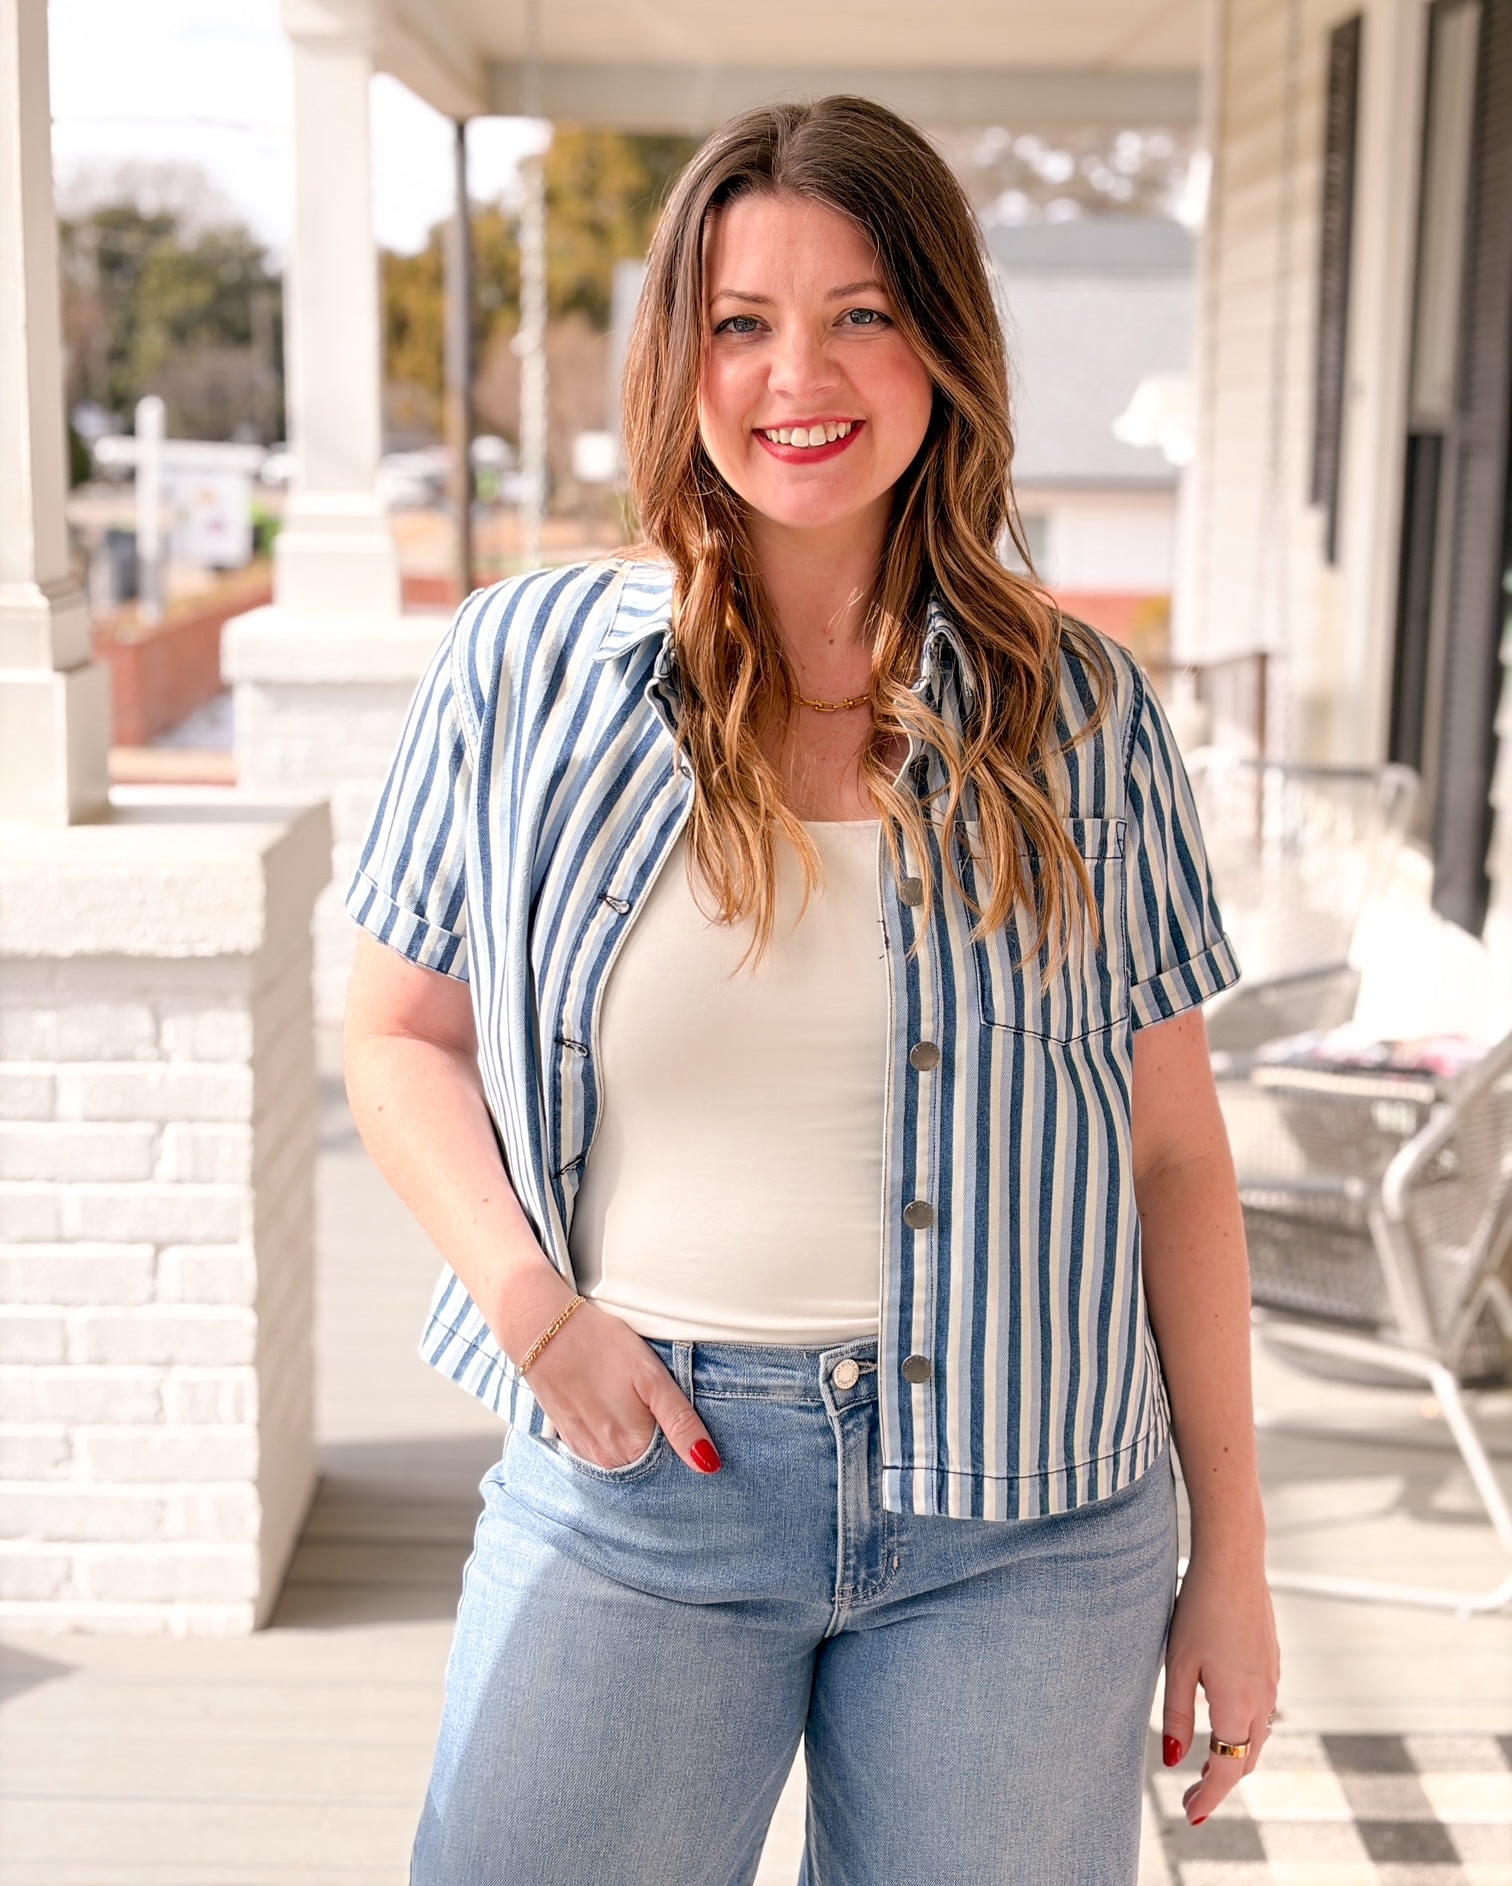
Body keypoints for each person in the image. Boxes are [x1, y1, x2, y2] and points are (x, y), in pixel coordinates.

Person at [342, 94, 1280, 1886]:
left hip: (1031, 1521)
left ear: (943, 344)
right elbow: (400, 1034)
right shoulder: (522, 670)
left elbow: (1173, 1154)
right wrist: (534, 1314)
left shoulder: (1081, 711)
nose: (801, 375)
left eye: (862, 312)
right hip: (646, 1475)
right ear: (679, 359)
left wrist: (1231, 1558)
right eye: (742, 322)